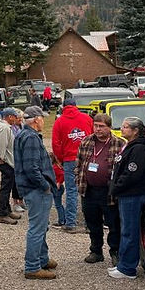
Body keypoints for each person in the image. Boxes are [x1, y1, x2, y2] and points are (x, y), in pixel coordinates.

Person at [75, 113, 127, 265]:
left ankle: (115, 251)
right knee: (92, 223)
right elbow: (78, 164)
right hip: (89, 190)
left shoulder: (119, 143)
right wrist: (78, 179)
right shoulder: (86, 141)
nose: (97, 129)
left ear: (109, 127)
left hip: (109, 192)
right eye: (95, 126)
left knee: (114, 224)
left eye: (101, 126)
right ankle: (96, 251)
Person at [14, 106, 59, 280]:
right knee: (37, 228)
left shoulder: (23, 135)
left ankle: (43, 258)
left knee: (41, 226)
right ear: (35, 120)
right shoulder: (31, 137)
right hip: (36, 190)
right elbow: (31, 168)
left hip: (31, 189)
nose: (43, 121)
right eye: (42, 118)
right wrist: (44, 185)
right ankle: (32, 266)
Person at [109, 116, 145, 279]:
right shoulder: (131, 146)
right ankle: (122, 264)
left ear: (135, 131)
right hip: (126, 194)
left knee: (130, 231)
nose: (122, 129)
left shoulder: (139, 149)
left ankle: (128, 268)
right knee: (125, 230)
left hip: (132, 194)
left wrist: (117, 186)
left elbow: (132, 173)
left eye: (126, 127)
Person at [51, 98, 93, 234]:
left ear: (64, 107)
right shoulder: (86, 118)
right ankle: (90, 224)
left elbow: (56, 144)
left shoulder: (59, 121)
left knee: (71, 191)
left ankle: (70, 223)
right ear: (76, 106)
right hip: (87, 158)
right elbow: (93, 136)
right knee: (89, 190)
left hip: (69, 160)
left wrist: (61, 159)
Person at [0, 108, 23, 225]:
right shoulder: (5, 128)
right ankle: (2, 214)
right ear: (10, 117)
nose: (16, 119)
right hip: (6, 162)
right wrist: (1, 158)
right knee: (5, 188)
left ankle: (7, 210)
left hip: (6, 161)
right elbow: (1, 144)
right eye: (15, 117)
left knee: (7, 187)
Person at [51, 153, 66, 228]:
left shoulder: (55, 167)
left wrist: (59, 183)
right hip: (58, 188)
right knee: (59, 204)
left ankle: (61, 221)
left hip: (57, 188)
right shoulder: (58, 166)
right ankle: (63, 219)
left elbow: (63, 175)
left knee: (58, 205)